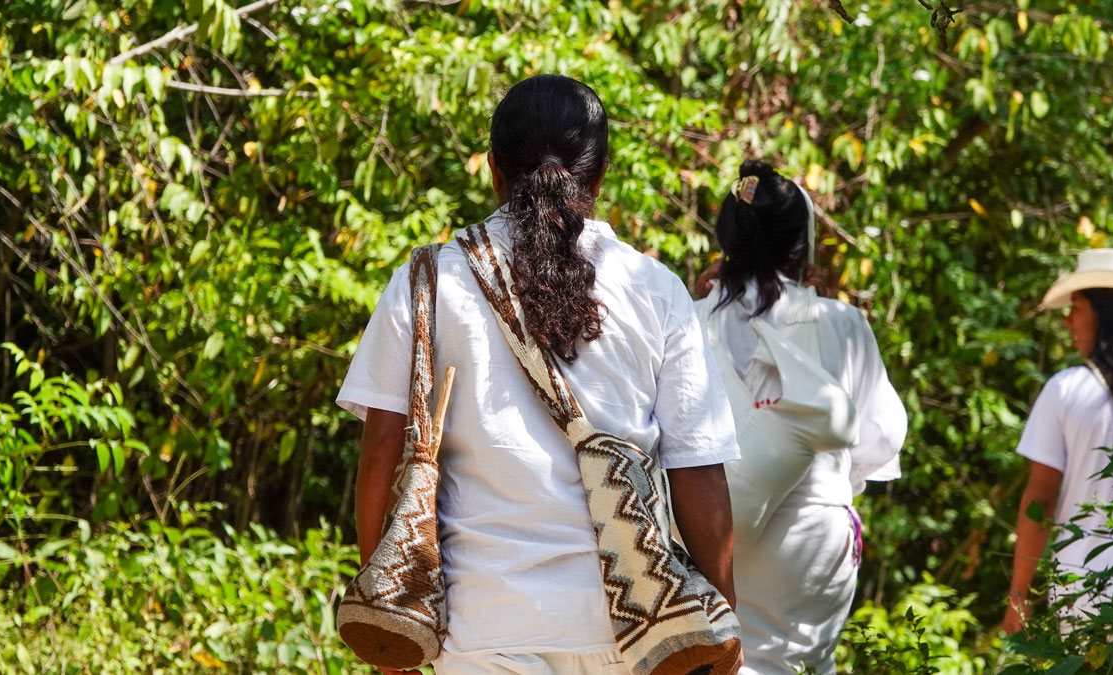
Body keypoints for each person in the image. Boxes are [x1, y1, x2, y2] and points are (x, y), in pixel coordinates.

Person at [336, 74, 743, 675]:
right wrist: (721, 619)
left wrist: (390, 617)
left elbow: (380, 456)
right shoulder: (654, 290)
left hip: (480, 626)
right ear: (599, 177)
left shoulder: (426, 284)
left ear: (494, 170)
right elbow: (697, 472)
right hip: (628, 623)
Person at [694, 160, 907, 675]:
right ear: (802, 244)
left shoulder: (686, 319)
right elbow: (880, 440)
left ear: (727, 239)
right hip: (814, 548)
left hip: (709, 543)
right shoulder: (842, 324)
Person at [1003, 248, 1113, 634]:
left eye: (1077, 307)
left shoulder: (1066, 390)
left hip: (1084, 592)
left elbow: (1040, 500)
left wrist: (1019, 597)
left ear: (1106, 314)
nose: (1067, 321)